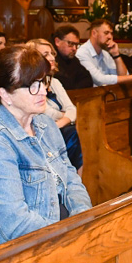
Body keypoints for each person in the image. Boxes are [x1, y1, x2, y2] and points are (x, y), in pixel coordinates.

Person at [0, 46, 92, 251]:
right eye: (32, 85)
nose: (43, 90)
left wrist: (83, 216)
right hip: (13, 254)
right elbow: (15, 223)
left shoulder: (45, 124)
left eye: (42, 81)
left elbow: (70, 179)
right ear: (5, 95)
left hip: (55, 235)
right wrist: (69, 237)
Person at [27, 38, 83, 170]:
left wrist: (59, 123)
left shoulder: (55, 82)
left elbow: (72, 109)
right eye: (45, 54)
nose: (52, 57)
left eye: (52, 53)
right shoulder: (30, 84)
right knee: (72, 133)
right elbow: (46, 112)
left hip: (58, 128)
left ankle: (79, 182)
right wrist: (63, 116)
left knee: (76, 133)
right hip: (40, 132)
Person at [76, 19, 132, 87]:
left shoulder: (105, 53)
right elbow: (99, 80)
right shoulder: (82, 53)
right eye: (106, 33)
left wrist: (116, 55)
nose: (110, 37)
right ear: (94, 33)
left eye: (111, 33)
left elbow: (123, 77)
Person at [52, 25, 93, 90]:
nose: (74, 48)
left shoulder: (74, 60)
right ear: (57, 42)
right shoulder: (50, 59)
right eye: (70, 44)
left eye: (76, 45)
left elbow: (87, 79)